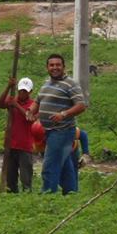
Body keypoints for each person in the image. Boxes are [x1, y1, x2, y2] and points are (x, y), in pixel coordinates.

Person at [29, 53, 86, 194]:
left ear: (63, 67)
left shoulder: (71, 84)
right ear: (47, 67)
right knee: (65, 165)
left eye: (58, 65)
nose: (55, 67)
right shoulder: (46, 84)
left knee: (50, 165)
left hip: (62, 131)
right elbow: (37, 101)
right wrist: (30, 111)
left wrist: (63, 114)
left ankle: (48, 195)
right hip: (48, 132)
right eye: (51, 65)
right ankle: (71, 193)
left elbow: (81, 105)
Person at [0, 76, 35, 193]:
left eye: (25, 91)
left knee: (26, 178)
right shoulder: (12, 100)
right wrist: (8, 87)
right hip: (11, 144)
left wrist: (16, 106)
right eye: (20, 90)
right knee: (10, 178)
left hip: (25, 146)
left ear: (30, 92)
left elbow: (30, 117)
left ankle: (27, 196)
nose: (22, 93)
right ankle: (12, 195)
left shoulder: (33, 104)